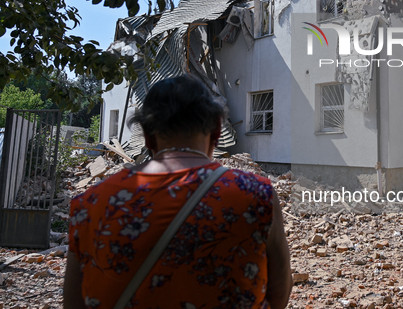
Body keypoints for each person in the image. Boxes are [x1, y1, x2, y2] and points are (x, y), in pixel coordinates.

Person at [64, 74, 292, 309]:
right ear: (216, 130)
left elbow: (73, 302)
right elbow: (278, 295)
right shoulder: (256, 196)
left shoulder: (89, 205)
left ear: (148, 137)